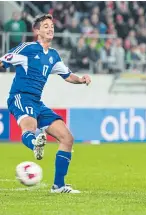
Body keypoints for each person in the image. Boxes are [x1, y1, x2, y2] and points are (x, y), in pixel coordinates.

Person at [0, 14, 91, 194]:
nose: (50, 29)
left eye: (52, 26)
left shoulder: (53, 55)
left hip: (37, 102)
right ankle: (36, 143)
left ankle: (58, 186)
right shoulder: (27, 48)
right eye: (46, 26)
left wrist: (81, 79)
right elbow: (3, 61)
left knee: (67, 138)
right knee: (30, 126)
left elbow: (67, 75)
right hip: (20, 97)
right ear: (37, 31)